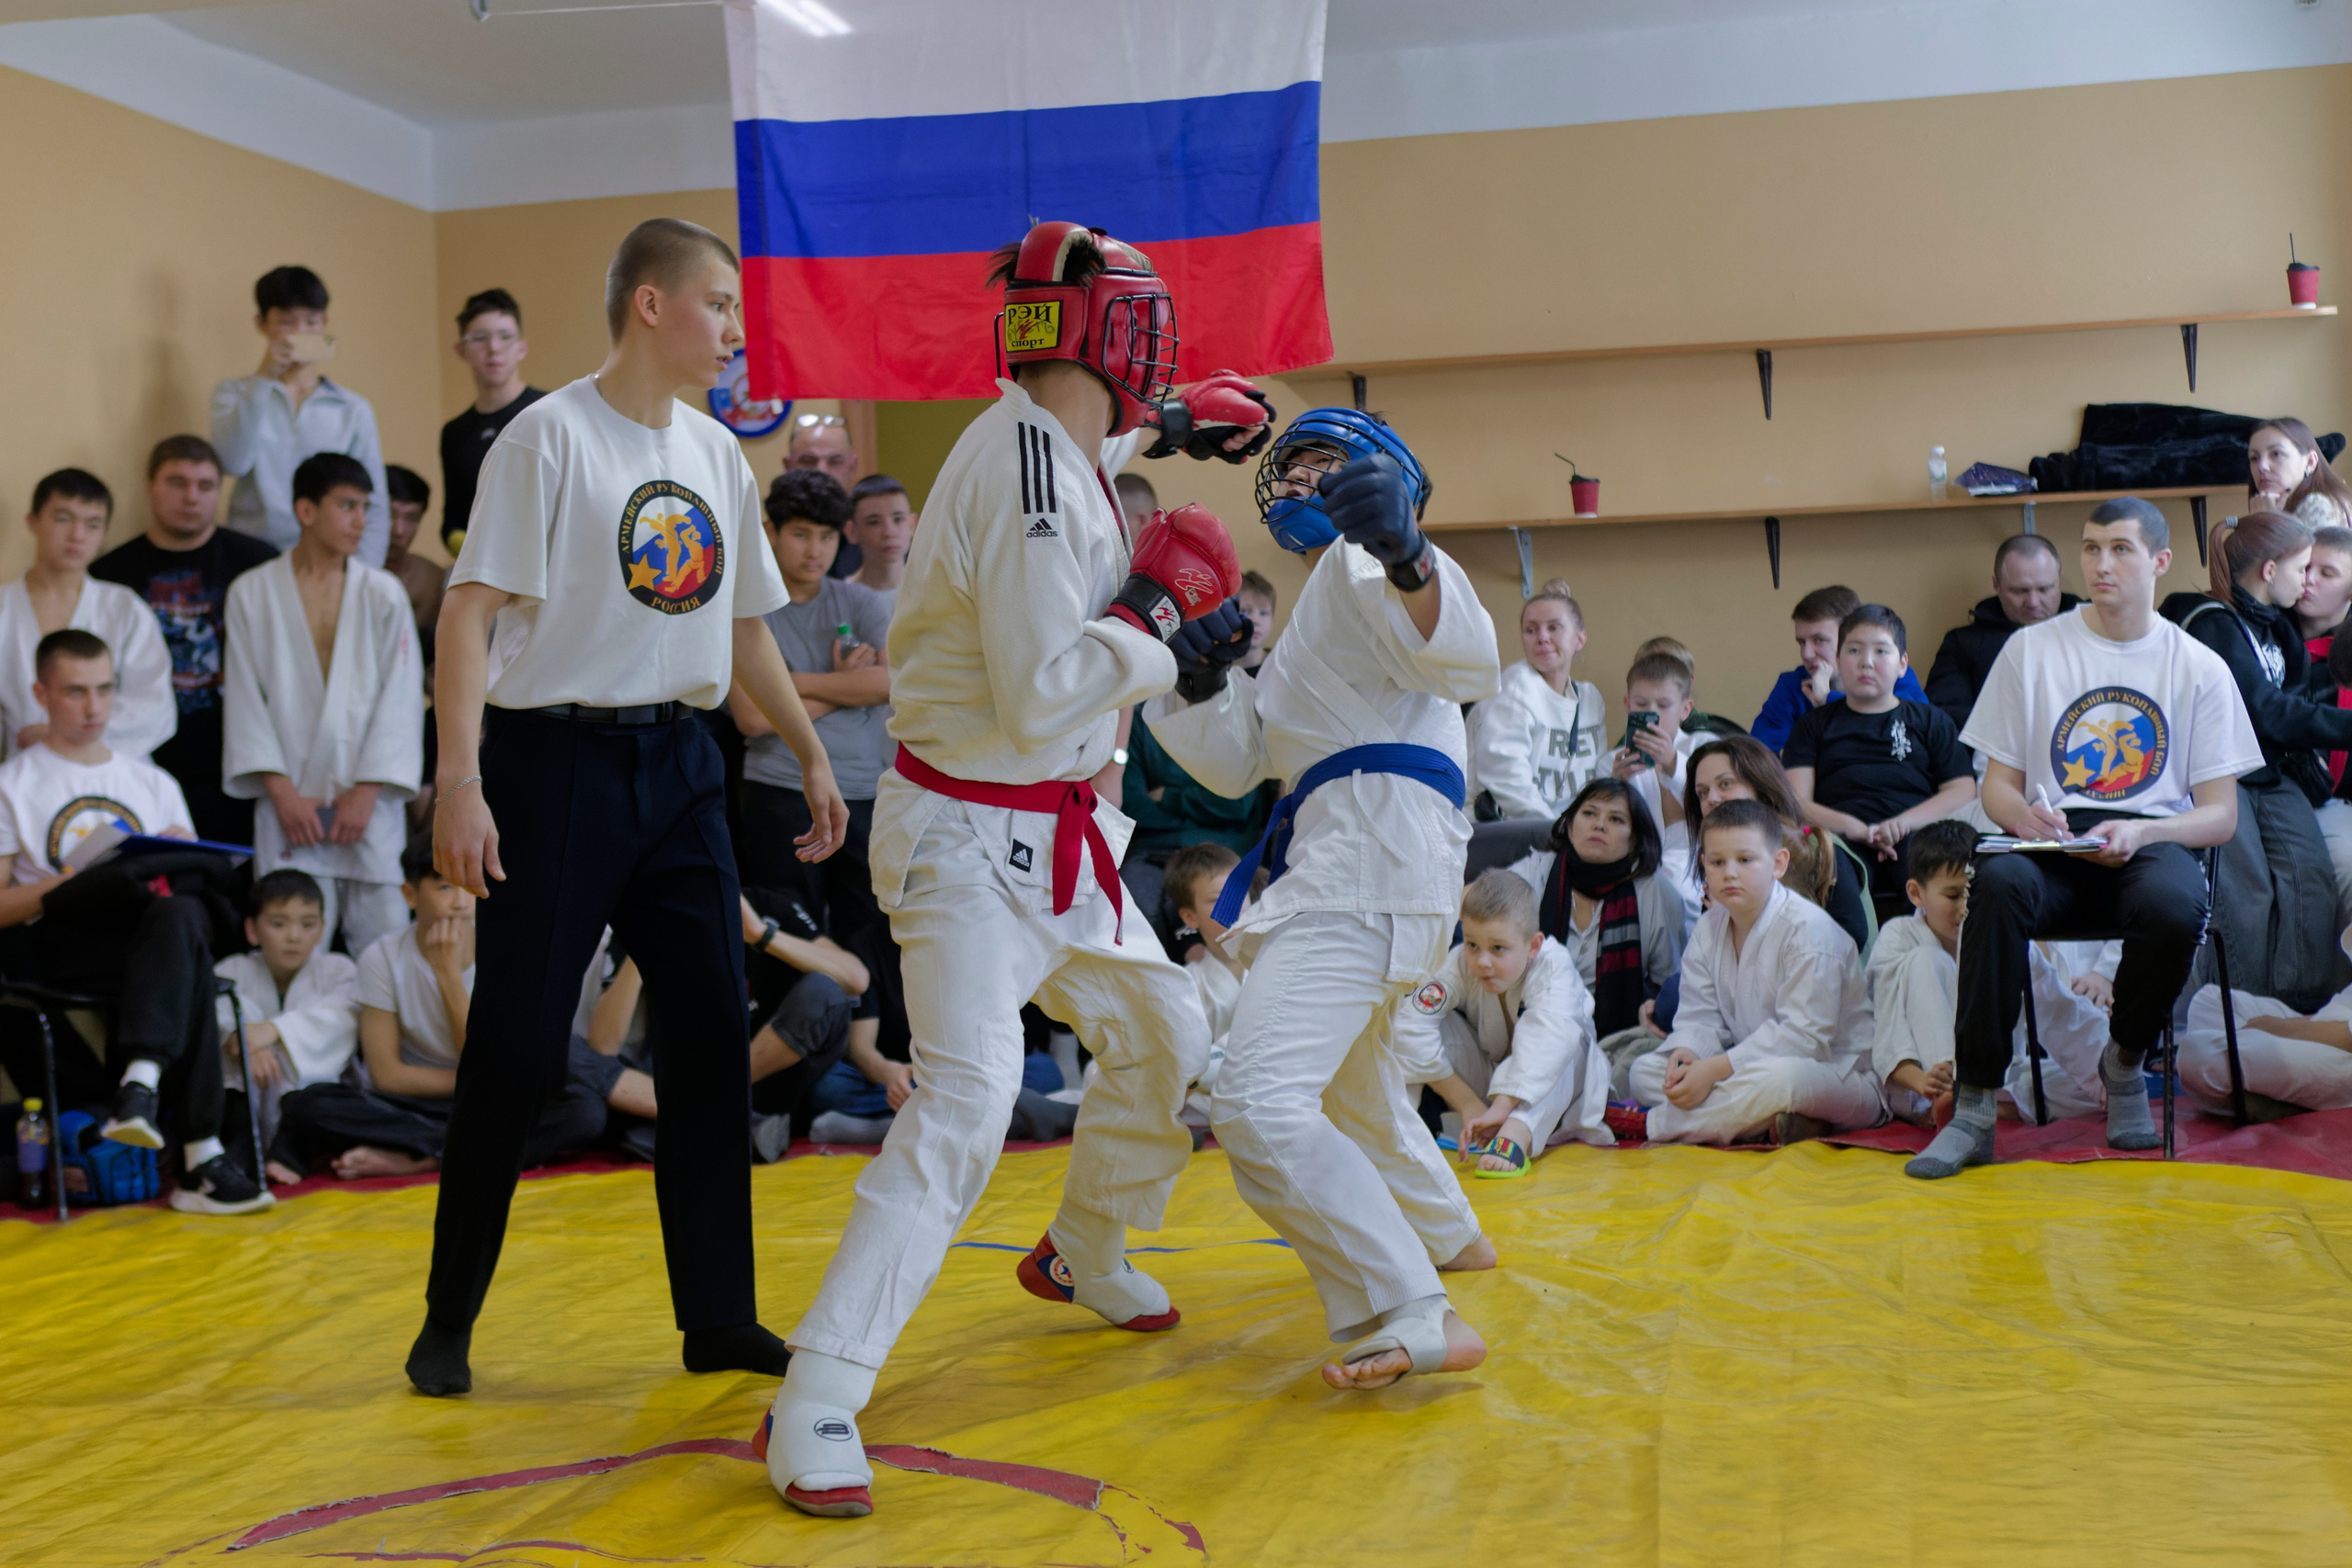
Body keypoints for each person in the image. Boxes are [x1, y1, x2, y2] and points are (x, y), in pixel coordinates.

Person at [764, 220, 1261, 1519]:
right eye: (1145, 334)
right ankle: (819, 1387)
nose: (1158, 353)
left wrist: (1170, 431)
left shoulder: (1046, 439)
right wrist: (1159, 624)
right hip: (973, 842)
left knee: (1164, 1020)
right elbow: (1049, 697)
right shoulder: (1036, 479)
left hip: (1053, 833)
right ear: (1106, 338)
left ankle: (1086, 1242)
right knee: (970, 1103)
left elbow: (1077, 465)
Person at [416, 217, 846, 1398]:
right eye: (718, 306)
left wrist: (807, 751)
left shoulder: (714, 452)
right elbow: (466, 614)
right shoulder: (545, 439)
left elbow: (744, 622)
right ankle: (448, 1315)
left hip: (684, 769)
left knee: (710, 1034)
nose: (732, 333)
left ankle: (718, 1316)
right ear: (650, 305)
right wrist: (461, 781)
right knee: (512, 1044)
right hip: (552, 768)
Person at [1146, 404, 1496, 1396]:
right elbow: (1236, 765)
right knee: (1360, 1097)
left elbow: (1466, 661)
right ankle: (1453, 1238)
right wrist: (1201, 675)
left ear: (1383, 478)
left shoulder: (1359, 567)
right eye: (1287, 467)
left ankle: (1412, 1305)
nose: (1297, 479)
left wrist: (1411, 557)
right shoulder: (1313, 615)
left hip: (1368, 863)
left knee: (1254, 1099)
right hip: (1370, 861)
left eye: (1320, 463)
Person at [1907, 497, 2259, 1179]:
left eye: (2121, 549)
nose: (2101, 563)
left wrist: (2141, 828)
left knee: (2175, 902)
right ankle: (1975, 1106)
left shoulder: (2197, 666)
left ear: (2159, 561)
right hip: (2054, 841)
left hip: (2152, 835)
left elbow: (2219, 816)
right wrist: (2017, 817)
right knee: (1998, 883)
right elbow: (1996, 784)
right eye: (2092, 548)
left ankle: (2124, 1062)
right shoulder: (2032, 649)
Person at [0, 630, 268, 1213]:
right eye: (75, 692)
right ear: (41, 693)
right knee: (183, 939)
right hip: (61, 945)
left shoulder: (153, 782)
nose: (94, 707)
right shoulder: (12, 785)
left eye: (104, 690)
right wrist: (77, 877)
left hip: (153, 946)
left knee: (181, 915)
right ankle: (200, 1155)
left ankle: (142, 1087)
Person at [271, 833, 605, 1182]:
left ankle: (423, 1160)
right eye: (446, 888)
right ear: (410, 895)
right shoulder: (382, 957)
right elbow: (387, 1075)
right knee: (309, 1103)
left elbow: (486, 1058)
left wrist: (448, 975)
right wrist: (479, 1083)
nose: (461, 903)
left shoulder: (506, 951)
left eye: (469, 887)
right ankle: (451, 1149)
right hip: (421, 1103)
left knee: (583, 1109)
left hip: (493, 1102)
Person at [222, 452, 423, 958]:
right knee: (291, 951)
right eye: (348, 506)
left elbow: (400, 696)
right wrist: (281, 792)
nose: (362, 521)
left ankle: (383, 1041)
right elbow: (245, 697)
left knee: (385, 949)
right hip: (290, 805)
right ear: (306, 511)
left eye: (364, 508)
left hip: (368, 806)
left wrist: (368, 790)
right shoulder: (251, 593)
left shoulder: (384, 594)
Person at [2158, 510, 2352, 1011]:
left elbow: (2294, 706)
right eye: (2302, 568)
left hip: (2271, 775)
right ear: (2269, 571)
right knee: (2247, 896)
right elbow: (2267, 711)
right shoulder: (2214, 624)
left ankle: (2297, 1005)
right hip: (2221, 777)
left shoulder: (2278, 627)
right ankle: (2242, 1009)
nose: (2306, 581)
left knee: (2310, 880)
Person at [1627, 799, 1881, 1145]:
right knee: (1645, 1074)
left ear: (1778, 864)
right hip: (1746, 1065)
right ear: (1704, 865)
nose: (1730, 872)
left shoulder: (1809, 931)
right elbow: (1699, 1017)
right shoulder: (1709, 928)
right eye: (1717, 862)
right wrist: (1688, 1057)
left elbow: (1805, 1040)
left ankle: (1653, 1126)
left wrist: (1715, 1070)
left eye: (1745, 860)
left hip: (1838, 1074)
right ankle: (1775, 1123)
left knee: (1782, 1080)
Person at [92, 435, 280, 843]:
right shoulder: (109, 573)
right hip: (144, 759)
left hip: (238, 763)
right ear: (149, 487)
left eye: (205, 485)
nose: (191, 497)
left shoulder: (259, 564)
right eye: (177, 482)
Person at [729, 469, 890, 937]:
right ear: (771, 533)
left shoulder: (860, 602)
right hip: (779, 791)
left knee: (869, 937)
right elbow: (754, 718)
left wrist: (781, 683)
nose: (815, 550)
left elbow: (887, 685)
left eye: (826, 536)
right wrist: (843, 685)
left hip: (862, 791)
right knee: (788, 933)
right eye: (800, 534)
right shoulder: (746, 612)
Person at [1396, 868, 1608, 1177]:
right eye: (1472, 944)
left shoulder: (1553, 964)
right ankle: (1398, 1132)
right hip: (1490, 1088)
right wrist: (1467, 1102)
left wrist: (1505, 1107)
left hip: (1555, 1095)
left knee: (1566, 1042)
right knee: (1407, 1024)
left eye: (1498, 949)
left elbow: (1549, 1040)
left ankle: (1517, 1132)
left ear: (1533, 946)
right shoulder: (1459, 962)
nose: (1482, 961)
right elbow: (1408, 1027)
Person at [1783, 604, 1975, 917]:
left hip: (1916, 835)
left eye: (1881, 651)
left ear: (1902, 664)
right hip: (1841, 839)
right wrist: (1852, 828)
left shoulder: (1930, 720)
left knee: (1933, 886)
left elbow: (1963, 789)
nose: (1866, 663)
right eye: (1854, 651)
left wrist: (1902, 825)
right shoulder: (1813, 725)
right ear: (1836, 661)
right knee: (1836, 884)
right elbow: (1795, 799)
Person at [211, 265, 390, 565]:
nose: (300, 333)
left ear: (325, 323)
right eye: (286, 322)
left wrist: (365, 573)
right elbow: (233, 463)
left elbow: (374, 501)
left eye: (311, 321)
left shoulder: (352, 408)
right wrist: (264, 377)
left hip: (329, 560)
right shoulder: (232, 394)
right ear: (261, 323)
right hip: (251, 557)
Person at [0, 470, 176, 765]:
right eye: (63, 519)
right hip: (23, 774)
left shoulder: (123, 608)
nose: (77, 536)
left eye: (92, 525)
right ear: (33, 521)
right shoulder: (4, 608)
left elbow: (154, 706)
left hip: (112, 770)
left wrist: (60, 736)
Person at [1502, 777, 1687, 1043]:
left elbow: (1666, 984)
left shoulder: (1657, 892)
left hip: (1618, 1038)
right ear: (1569, 826)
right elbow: (1477, 907)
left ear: (1634, 839)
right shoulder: (1536, 870)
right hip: (1529, 1023)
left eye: (1616, 819)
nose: (1599, 824)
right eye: (1589, 813)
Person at [213, 867, 360, 1167]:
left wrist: (271, 1032)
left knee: (319, 1103)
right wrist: (242, 1042)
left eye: (307, 924)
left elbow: (343, 1019)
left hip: (313, 1104)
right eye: (279, 924)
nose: (294, 936)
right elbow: (221, 1018)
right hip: (242, 1105)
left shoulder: (339, 970)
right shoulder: (231, 971)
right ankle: (241, 1150)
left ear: (321, 929)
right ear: (252, 930)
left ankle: (292, 1148)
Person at [1682, 735, 1871, 956]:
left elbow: (1851, 935)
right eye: (1702, 793)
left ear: (1760, 784)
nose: (1711, 799)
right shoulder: (1719, 860)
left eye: (1725, 784)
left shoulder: (1818, 846)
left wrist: (1744, 925)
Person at [2181, 920, 2352, 1119]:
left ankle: (2278, 1102)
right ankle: (2272, 1096)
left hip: (2343, 1055)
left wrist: (2273, 1028)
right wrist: (2288, 1025)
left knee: (2198, 1052)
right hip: (2323, 1034)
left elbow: (2347, 1036)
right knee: (2210, 1000)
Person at [1865, 820, 1973, 1125]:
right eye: (1953, 896)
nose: (1965, 907)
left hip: (1988, 1079)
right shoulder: (1898, 936)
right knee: (1927, 960)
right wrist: (1925, 1080)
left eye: (1972, 893)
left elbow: (2051, 1009)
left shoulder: (1992, 933)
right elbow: (1886, 1024)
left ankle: (1977, 1101)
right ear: (1916, 893)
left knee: (2056, 1083)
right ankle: (1949, 1097)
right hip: (1916, 1081)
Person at [1470, 580, 1606, 822]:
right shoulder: (1516, 686)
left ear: (1580, 638)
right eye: (1531, 630)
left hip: (1566, 833)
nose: (1542, 637)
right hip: (1513, 834)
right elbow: (1505, 776)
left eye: (1554, 628)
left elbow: (1595, 778)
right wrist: (1553, 833)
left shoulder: (1590, 698)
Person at [1922, 534, 2077, 729]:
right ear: (1997, 585)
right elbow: (1943, 717)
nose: (2033, 602)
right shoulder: (1963, 644)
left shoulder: (2090, 631)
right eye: (2019, 591)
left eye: (2044, 589)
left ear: (2059, 580)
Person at [1750, 584, 1928, 751]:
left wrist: (1827, 700)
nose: (1807, 653)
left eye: (1819, 640)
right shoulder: (1793, 684)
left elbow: (1915, 725)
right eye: (1802, 642)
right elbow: (1759, 753)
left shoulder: (1891, 674)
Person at [437, 288, 545, 557]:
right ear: (461, 350)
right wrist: (476, 552)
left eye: (505, 337)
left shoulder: (549, 412)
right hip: (485, 574)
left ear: (522, 347)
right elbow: (453, 521)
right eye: (479, 338)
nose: (493, 348)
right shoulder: (455, 433)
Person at [1612, 649, 1713, 886]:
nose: (1652, 714)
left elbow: (1716, 806)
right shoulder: (1614, 761)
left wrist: (1672, 761)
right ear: (1628, 704)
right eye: (1641, 703)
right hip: (1631, 864)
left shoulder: (1705, 747)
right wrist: (1616, 784)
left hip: (1695, 868)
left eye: (1664, 705)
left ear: (1685, 709)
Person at [2247, 416, 2352, 533]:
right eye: (2254, 458)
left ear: (2310, 462)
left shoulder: (2318, 504)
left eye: (2276, 454)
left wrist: (2267, 523)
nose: (2262, 466)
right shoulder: (2294, 503)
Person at [383, 464, 446, 654]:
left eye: (411, 518)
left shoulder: (432, 580)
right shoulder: (344, 572)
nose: (398, 530)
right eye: (389, 514)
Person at [843, 473, 915, 610]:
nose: (889, 533)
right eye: (874, 522)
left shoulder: (932, 592)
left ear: (912, 525)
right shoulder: (840, 599)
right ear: (852, 531)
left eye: (898, 519)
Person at [1236, 569, 1277, 674]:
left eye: (1263, 613)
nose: (1255, 621)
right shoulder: (1215, 674)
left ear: (1273, 621)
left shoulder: (1283, 666)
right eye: (1244, 611)